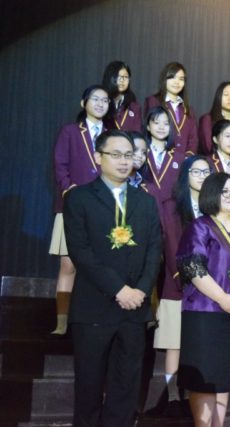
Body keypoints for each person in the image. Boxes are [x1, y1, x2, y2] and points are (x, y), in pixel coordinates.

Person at [63, 129, 162, 426]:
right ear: (98, 157)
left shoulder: (145, 202)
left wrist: (141, 290)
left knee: (126, 388)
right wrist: (119, 289)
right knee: (89, 388)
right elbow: (80, 252)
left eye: (128, 155)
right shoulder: (79, 198)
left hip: (134, 310)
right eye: (115, 155)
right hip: (94, 307)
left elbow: (154, 250)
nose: (123, 161)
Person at [176, 172, 230, 427]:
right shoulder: (200, 226)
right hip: (204, 313)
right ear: (211, 194)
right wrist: (223, 298)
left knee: (224, 379)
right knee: (203, 380)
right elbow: (194, 269)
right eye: (225, 191)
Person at [148, 155, 212, 417]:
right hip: (179, 285)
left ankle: (193, 396)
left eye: (206, 172)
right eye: (196, 172)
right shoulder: (172, 206)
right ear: (185, 175)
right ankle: (173, 398)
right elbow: (172, 244)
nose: (202, 177)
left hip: (209, 289)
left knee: (198, 345)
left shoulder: (213, 207)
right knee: (174, 344)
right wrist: (184, 278)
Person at [50, 84, 109, 335]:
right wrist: (68, 189)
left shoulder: (111, 135)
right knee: (68, 265)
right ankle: (62, 321)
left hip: (103, 209)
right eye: (95, 99)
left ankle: (92, 319)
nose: (100, 104)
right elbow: (60, 164)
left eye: (105, 100)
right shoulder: (71, 131)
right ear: (83, 103)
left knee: (98, 265)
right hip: (73, 206)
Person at [144, 62, 198, 156]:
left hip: (184, 160)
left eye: (181, 79)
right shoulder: (153, 101)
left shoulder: (188, 109)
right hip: (161, 158)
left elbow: (193, 140)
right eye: (173, 77)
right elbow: (148, 131)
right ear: (165, 79)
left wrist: (187, 158)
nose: (177, 82)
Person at [102, 60, 142, 132]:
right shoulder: (101, 102)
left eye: (126, 77)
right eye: (118, 76)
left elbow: (137, 133)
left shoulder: (134, 106)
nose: (122, 80)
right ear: (109, 78)